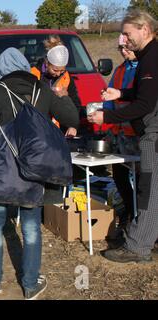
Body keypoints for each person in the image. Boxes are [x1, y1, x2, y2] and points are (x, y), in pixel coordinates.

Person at [0, 48, 79, 300]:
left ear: (1, 69)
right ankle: (30, 283)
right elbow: (72, 118)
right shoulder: (43, 91)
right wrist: (62, 95)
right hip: (33, 174)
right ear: (25, 67)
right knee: (31, 227)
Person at [88, 10, 158, 263]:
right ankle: (149, 238)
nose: (125, 40)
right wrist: (121, 93)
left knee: (148, 191)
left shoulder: (151, 59)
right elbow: (144, 92)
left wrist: (106, 118)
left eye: (128, 34)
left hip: (154, 134)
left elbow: (145, 104)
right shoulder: (149, 56)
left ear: (145, 30)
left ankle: (138, 247)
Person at [103, 34, 139, 236]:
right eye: (120, 49)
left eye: (127, 47)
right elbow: (109, 97)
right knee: (119, 176)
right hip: (119, 135)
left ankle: (142, 223)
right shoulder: (120, 70)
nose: (124, 52)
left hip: (139, 135)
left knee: (144, 182)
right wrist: (105, 111)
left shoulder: (146, 68)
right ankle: (127, 214)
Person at [31, 35, 80, 137]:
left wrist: (72, 126)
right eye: (55, 70)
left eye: (62, 70)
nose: (58, 74)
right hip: (37, 130)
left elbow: (75, 104)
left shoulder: (67, 78)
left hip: (60, 131)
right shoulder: (33, 75)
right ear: (47, 62)